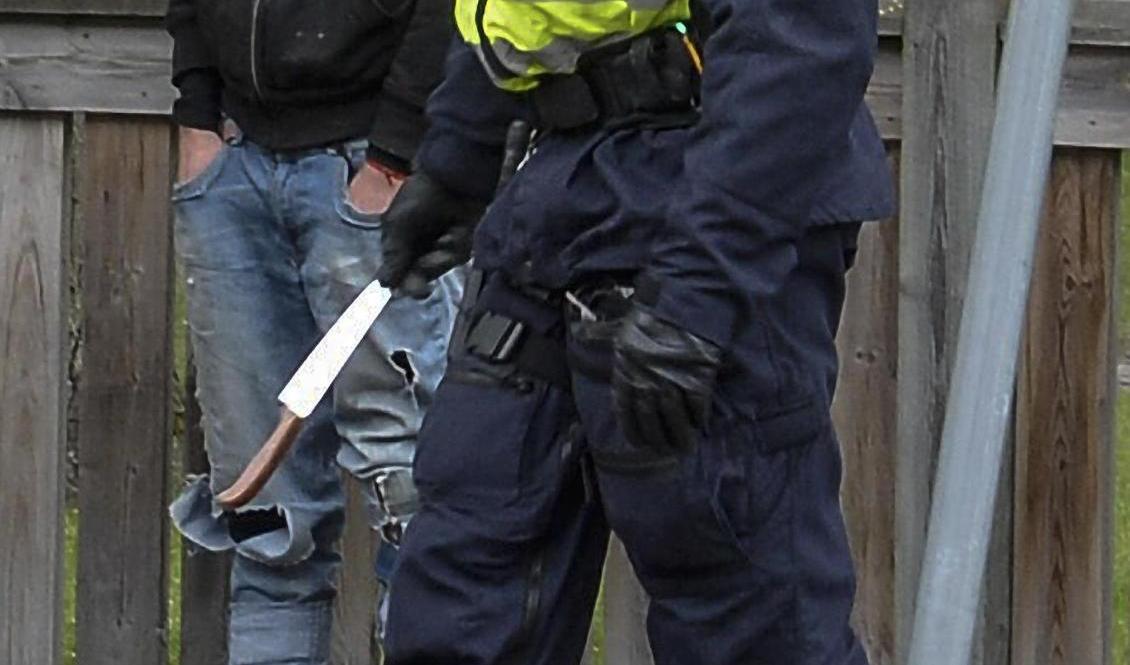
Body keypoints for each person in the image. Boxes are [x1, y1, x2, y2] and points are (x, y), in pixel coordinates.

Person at [373, 0, 896, 661]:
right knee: (462, 595)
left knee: (746, 613)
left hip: (713, 188)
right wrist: (459, 154)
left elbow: (802, 39)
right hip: (561, 189)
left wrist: (700, 293)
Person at [163, 0, 460, 662]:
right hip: (233, 166)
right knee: (267, 516)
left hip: (374, 172)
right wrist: (197, 116)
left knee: (416, 498)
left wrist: (394, 157)